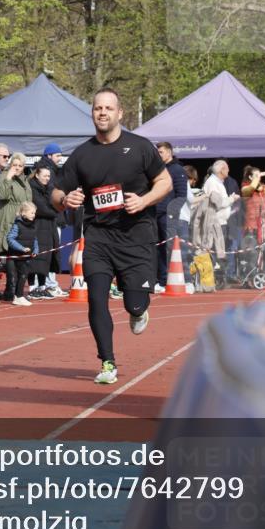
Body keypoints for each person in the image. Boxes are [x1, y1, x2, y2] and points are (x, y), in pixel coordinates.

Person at [51, 88, 172, 386]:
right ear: (92, 113)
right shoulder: (82, 155)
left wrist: (143, 201)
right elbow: (55, 191)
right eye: (97, 108)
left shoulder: (141, 147)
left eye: (108, 108)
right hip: (98, 238)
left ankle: (138, 309)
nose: (102, 113)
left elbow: (164, 181)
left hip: (136, 237)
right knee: (96, 299)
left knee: (134, 305)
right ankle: (107, 361)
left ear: (120, 114)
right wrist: (66, 200)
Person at [0, 153, 32, 301]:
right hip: (9, 217)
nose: (17, 168)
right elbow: (2, 195)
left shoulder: (25, 180)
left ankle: (17, 289)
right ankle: (10, 289)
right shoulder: (4, 176)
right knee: (11, 252)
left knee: (21, 254)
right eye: (15, 165)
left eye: (20, 166)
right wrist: (9, 178)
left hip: (22, 220)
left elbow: (29, 199)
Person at [154, 142, 188, 293]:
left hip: (169, 217)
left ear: (169, 152)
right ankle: (160, 281)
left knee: (170, 249)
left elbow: (181, 195)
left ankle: (183, 280)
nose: (158, 154)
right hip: (155, 216)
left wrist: (171, 213)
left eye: (160, 152)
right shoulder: (157, 170)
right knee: (157, 249)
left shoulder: (177, 170)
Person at [28, 165, 60, 298]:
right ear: (37, 175)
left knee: (46, 258)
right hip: (36, 226)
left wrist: (54, 208)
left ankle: (42, 287)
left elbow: (54, 203)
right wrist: (55, 210)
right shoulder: (31, 188)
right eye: (45, 176)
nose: (47, 178)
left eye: (49, 176)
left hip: (48, 227)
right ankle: (32, 288)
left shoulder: (49, 188)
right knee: (35, 257)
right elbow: (41, 207)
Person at [6, 201, 39, 306]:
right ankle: (17, 296)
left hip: (26, 257)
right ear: (23, 213)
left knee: (23, 275)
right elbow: (10, 239)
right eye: (31, 213)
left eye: (34, 213)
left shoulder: (33, 225)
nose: (34, 215)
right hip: (15, 256)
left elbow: (35, 240)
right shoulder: (17, 225)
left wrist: (35, 251)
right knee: (15, 277)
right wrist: (21, 248)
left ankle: (18, 296)